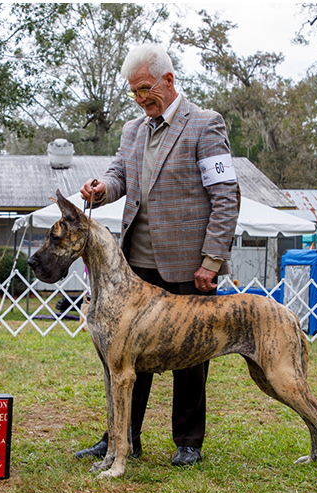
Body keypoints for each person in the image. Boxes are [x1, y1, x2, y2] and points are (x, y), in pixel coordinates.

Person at [78, 43, 240, 466]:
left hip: (190, 264)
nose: (140, 98)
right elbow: (118, 176)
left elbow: (225, 196)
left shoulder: (205, 125)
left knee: (192, 354)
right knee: (129, 354)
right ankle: (122, 437)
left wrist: (212, 260)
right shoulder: (132, 130)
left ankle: (188, 441)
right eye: (133, 92)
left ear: (168, 80)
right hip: (138, 266)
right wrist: (101, 189)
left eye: (146, 88)